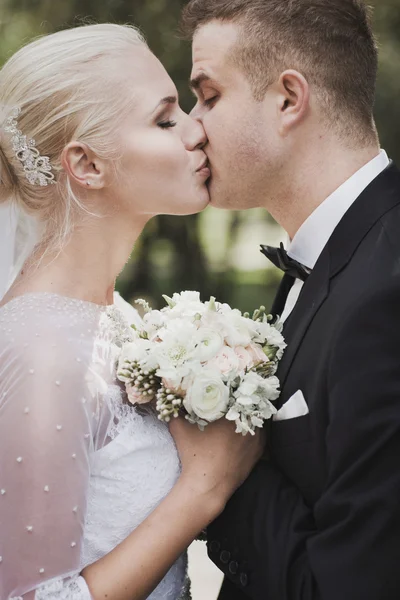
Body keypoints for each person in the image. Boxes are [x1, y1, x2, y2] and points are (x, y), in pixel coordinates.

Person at [0, 23, 264, 600]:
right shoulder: (43, 352)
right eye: (166, 119)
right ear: (87, 165)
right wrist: (204, 489)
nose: (198, 130)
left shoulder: (111, 315)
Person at [181, 0, 400, 598]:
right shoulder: (335, 252)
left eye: (209, 95)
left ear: (288, 99)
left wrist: (220, 472)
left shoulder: (387, 294)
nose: (192, 126)